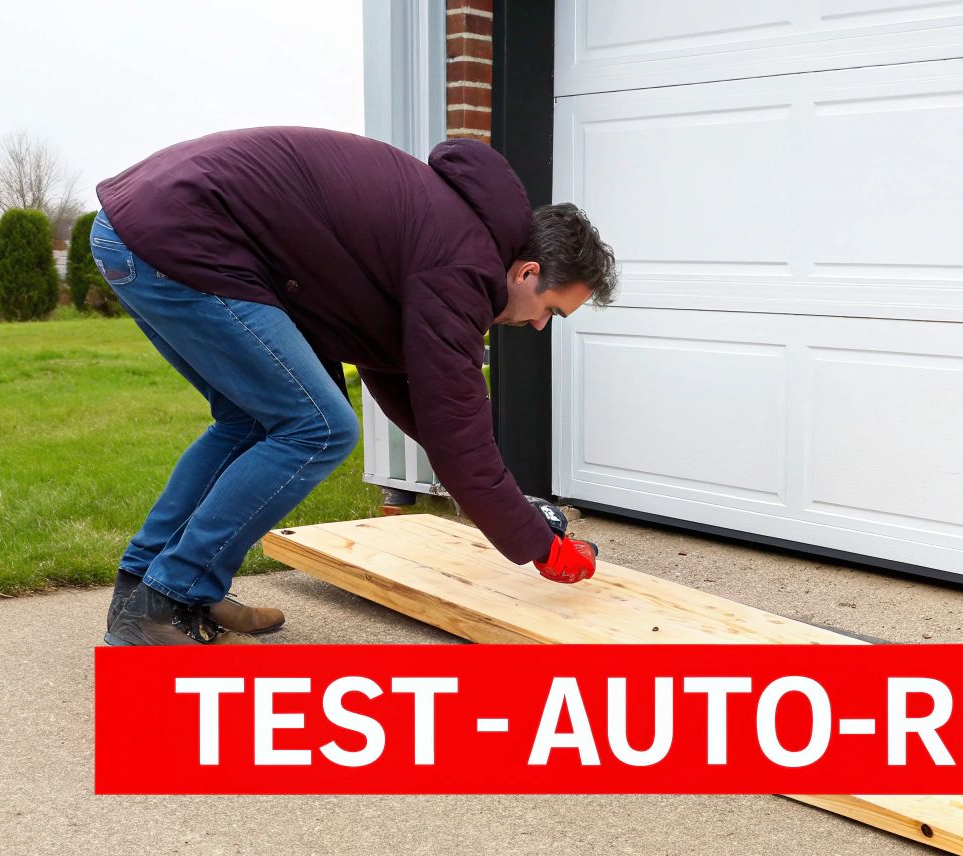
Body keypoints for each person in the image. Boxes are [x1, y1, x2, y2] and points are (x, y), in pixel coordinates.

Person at [92, 126, 616, 646]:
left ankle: (144, 590)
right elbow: (459, 442)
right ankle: (164, 602)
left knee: (250, 422)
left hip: (140, 227)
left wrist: (514, 509)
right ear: (527, 272)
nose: (542, 325)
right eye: (550, 310)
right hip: (183, 234)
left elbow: (422, 403)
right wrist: (540, 548)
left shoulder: (449, 242)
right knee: (318, 429)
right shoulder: (463, 266)